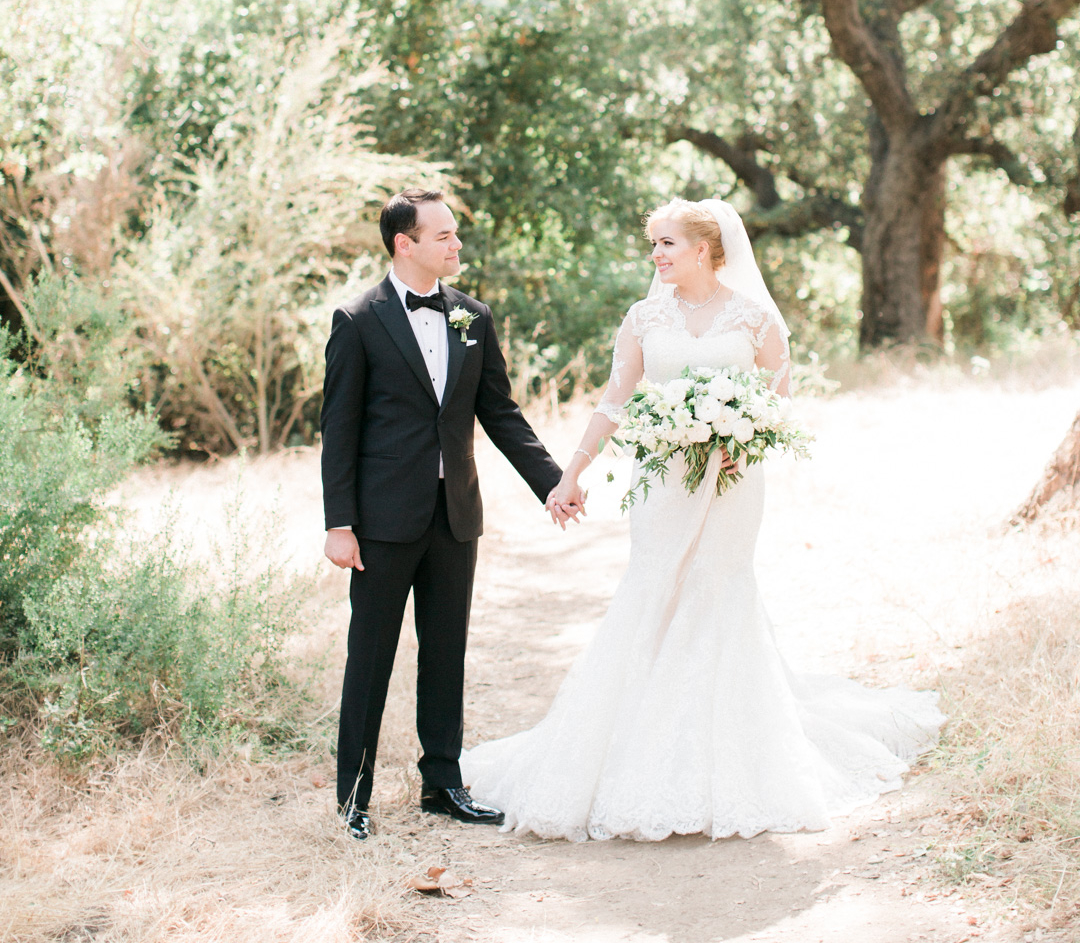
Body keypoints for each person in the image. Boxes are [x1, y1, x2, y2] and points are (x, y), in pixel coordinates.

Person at [462, 197, 943, 842]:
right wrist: (570, 473)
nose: (656, 255)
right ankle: (640, 743)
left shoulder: (754, 318)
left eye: (667, 244)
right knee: (657, 589)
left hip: (733, 482)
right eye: (653, 244)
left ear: (704, 249)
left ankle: (731, 753)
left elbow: (780, 402)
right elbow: (614, 400)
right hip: (662, 482)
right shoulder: (643, 318)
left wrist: (743, 439)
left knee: (717, 589)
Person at [320, 187, 575, 840]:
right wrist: (339, 524)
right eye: (443, 236)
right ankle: (353, 799)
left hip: (455, 515)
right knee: (370, 658)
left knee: (446, 653)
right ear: (404, 243)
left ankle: (443, 784)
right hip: (381, 522)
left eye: (455, 233)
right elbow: (338, 429)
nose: (457, 244)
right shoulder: (358, 319)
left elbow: (501, 413)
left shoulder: (472, 316)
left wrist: (553, 483)